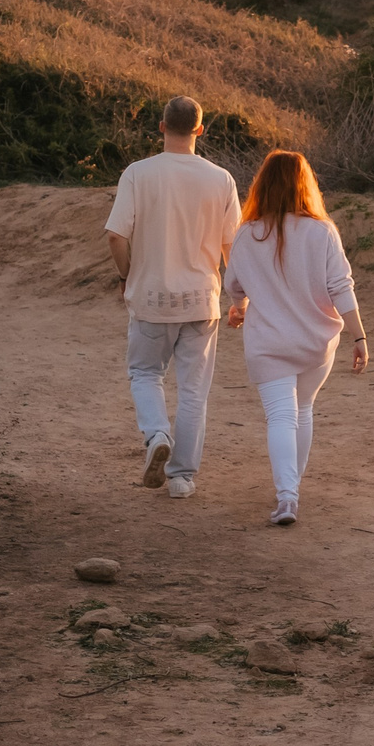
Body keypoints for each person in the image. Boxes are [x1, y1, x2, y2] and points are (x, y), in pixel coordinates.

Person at [222, 150, 370, 526]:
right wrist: (359, 337)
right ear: (305, 184)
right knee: (301, 410)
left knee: (281, 416)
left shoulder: (247, 233)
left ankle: (287, 496)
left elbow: (233, 285)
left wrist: (238, 308)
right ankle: (292, 490)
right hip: (314, 342)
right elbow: (342, 287)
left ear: (262, 184)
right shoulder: (321, 231)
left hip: (268, 344)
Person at [104, 96, 241, 499]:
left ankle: (156, 435)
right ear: (200, 130)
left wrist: (125, 275)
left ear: (161, 126)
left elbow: (115, 235)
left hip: (150, 296)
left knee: (146, 374)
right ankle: (182, 477)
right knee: (194, 390)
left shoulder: (137, 173)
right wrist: (239, 298)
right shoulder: (222, 179)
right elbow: (233, 246)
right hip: (202, 300)